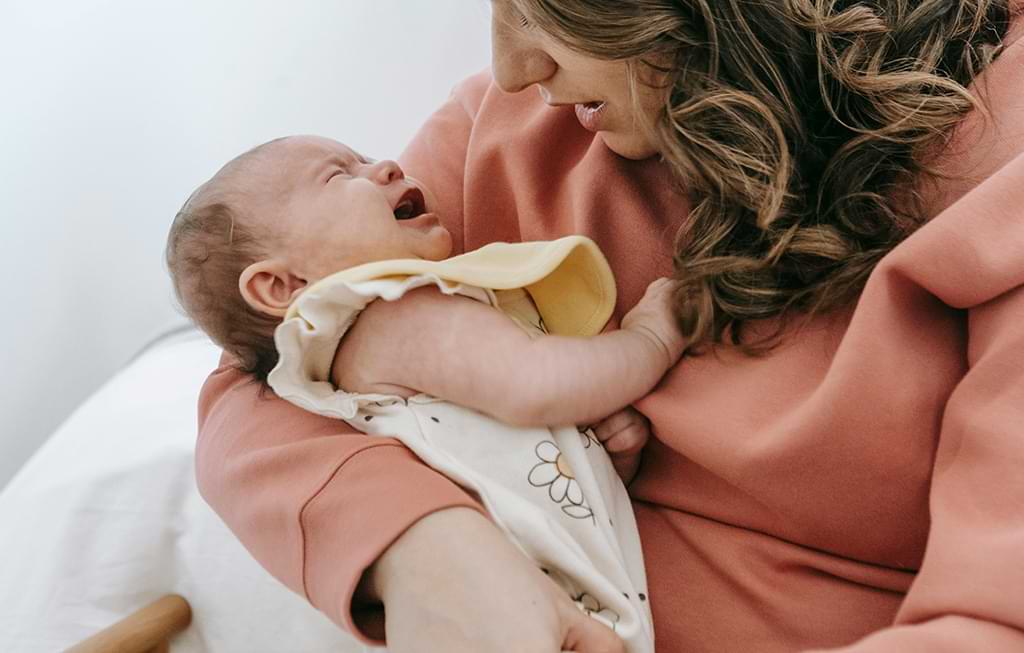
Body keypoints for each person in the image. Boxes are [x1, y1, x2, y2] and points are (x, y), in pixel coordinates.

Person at [194, 0, 1024, 651]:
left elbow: (993, 622)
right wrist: (428, 551)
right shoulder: (517, 129)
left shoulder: (999, 155)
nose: (511, 67)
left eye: (544, 6)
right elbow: (260, 371)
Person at [167, 134, 688, 651]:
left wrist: (596, 453)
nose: (389, 165)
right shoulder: (394, 313)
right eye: (338, 175)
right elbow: (539, 385)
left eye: (366, 157)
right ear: (282, 287)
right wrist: (650, 340)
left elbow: (508, 463)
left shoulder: (385, 346)